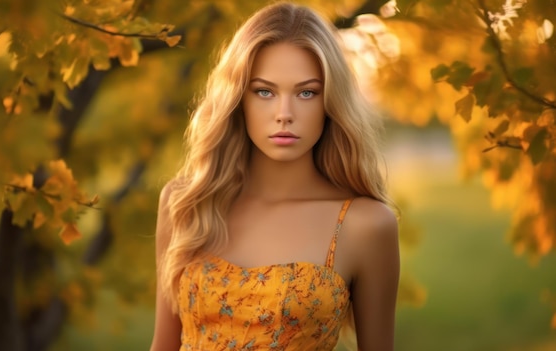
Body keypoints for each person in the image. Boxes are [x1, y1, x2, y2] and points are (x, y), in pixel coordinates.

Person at [150, 2, 399, 350]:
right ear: (238, 99)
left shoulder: (366, 225)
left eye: (306, 92)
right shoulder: (186, 204)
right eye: (264, 91)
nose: (284, 114)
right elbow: (163, 345)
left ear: (330, 101)